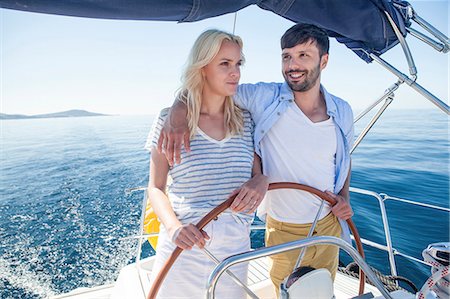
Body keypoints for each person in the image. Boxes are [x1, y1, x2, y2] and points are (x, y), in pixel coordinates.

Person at [157, 23, 355, 295]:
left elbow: (345, 159)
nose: (293, 65)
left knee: (322, 288)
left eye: (303, 56)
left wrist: (344, 196)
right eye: (287, 56)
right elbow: (204, 88)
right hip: (284, 226)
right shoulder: (263, 98)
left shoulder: (342, 111)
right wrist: (177, 110)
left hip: (329, 222)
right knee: (287, 292)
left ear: (324, 61)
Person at [146, 29, 268, 299]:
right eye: (224, 64)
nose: (235, 72)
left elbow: (258, 174)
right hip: (183, 244)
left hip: (235, 245)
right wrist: (174, 229)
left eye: (238, 64)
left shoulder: (246, 120)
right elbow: (155, 188)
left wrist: (262, 181)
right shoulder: (169, 121)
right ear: (202, 68)